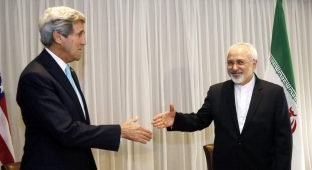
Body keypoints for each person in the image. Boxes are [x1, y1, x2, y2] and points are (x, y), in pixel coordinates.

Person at [16, 6, 152, 170]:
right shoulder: (35, 77)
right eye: (79, 34)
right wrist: (119, 131)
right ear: (59, 37)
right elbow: (66, 131)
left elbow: (78, 125)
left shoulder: (67, 71)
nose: (84, 41)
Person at [152, 42, 292, 170]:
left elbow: (283, 140)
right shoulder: (216, 91)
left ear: (254, 63)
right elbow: (200, 120)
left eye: (240, 62)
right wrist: (176, 119)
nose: (234, 67)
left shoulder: (274, 93)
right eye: (230, 63)